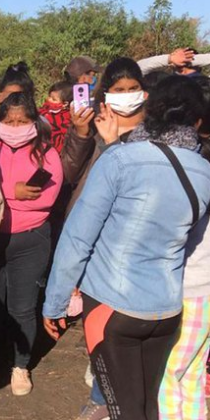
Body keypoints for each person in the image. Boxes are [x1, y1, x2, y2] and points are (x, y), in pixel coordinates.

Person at [43, 75, 210, 420]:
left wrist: (55, 303)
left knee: (124, 409)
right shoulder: (204, 171)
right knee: (151, 405)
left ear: (150, 111)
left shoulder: (120, 159)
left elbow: (77, 239)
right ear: (197, 122)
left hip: (112, 307)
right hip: (165, 310)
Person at [0, 92, 62, 396]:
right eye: (9, 121)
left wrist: (2, 195)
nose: (15, 127)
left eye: (22, 121)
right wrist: (13, 192)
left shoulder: (46, 153)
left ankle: (20, 365)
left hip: (31, 240)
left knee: (23, 308)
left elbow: (46, 200)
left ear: (34, 121)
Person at [156, 75, 210, 420]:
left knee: (169, 375)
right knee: (191, 375)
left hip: (186, 286)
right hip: (202, 290)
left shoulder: (186, 167)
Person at [61, 57, 148, 215]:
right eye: (119, 90)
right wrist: (81, 134)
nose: (127, 95)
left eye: (133, 88)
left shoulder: (153, 126)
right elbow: (70, 174)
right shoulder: (92, 121)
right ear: (107, 92)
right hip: (90, 211)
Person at [39, 81, 73, 152]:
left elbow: (65, 136)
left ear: (65, 104)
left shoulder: (65, 117)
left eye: (54, 99)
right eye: (49, 97)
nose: (49, 100)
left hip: (52, 147)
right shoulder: (47, 106)